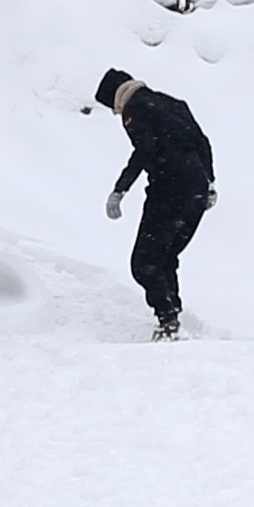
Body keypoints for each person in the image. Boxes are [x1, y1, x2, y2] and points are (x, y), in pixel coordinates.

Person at [95, 68, 216, 338]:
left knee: (144, 262)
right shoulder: (172, 102)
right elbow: (202, 142)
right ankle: (173, 313)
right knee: (166, 255)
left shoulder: (134, 109)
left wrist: (120, 189)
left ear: (116, 100)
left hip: (168, 188)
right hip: (195, 188)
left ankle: (168, 320)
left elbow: (145, 150)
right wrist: (209, 183)